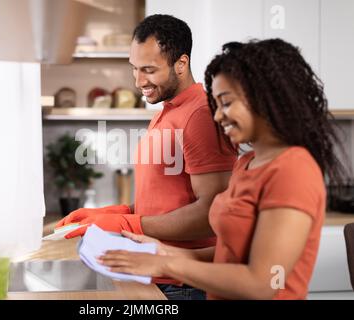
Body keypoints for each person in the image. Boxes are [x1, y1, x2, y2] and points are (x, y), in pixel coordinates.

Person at [97, 38, 349, 300]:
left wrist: (168, 265)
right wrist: (166, 252)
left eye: (226, 103)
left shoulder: (293, 171)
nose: (217, 116)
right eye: (216, 105)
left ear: (266, 98)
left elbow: (264, 283)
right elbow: (232, 252)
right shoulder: (246, 163)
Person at [55, 14, 237, 300]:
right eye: (134, 69)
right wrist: (118, 212)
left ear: (181, 64)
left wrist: (130, 224)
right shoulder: (166, 111)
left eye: (149, 70)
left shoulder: (199, 115)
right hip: (159, 274)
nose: (139, 81)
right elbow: (166, 197)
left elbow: (213, 212)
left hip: (186, 284)